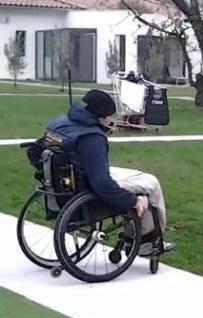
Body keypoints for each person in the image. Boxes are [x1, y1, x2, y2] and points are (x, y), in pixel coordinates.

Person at [40, 89, 175, 256]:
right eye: (110, 117)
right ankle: (147, 243)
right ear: (101, 116)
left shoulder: (58, 123)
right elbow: (102, 185)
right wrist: (133, 201)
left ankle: (138, 235)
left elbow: (35, 152)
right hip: (87, 184)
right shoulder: (92, 137)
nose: (111, 120)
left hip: (66, 180)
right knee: (151, 183)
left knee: (137, 178)